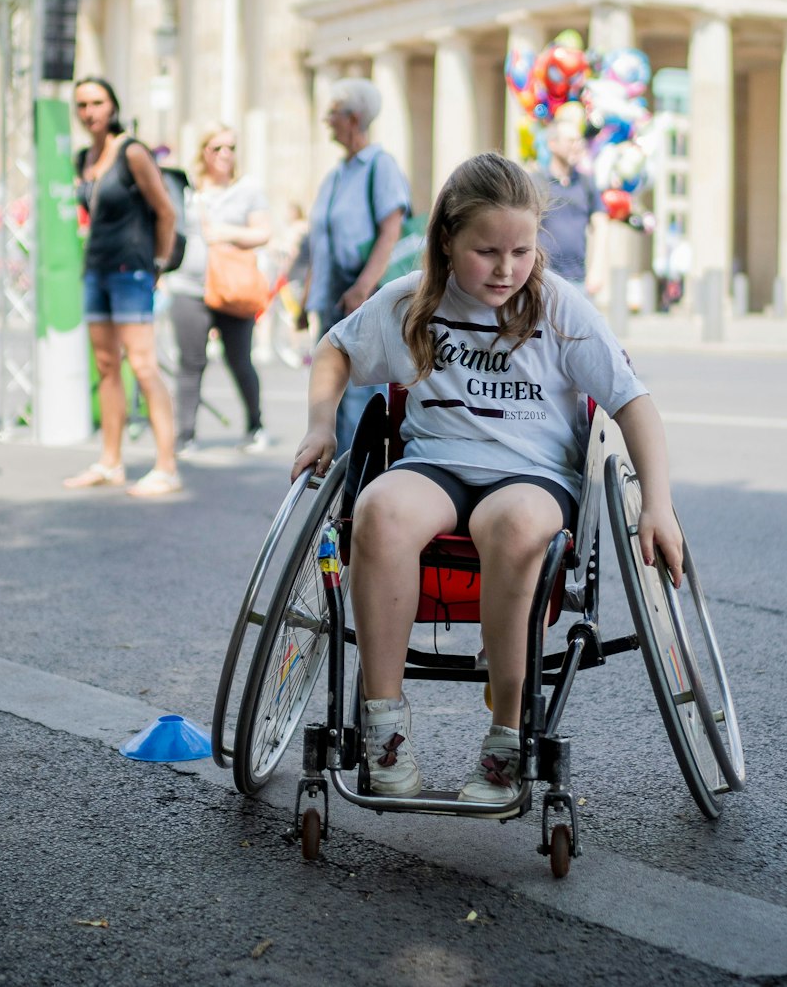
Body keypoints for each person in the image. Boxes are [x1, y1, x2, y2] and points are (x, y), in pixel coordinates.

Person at [291, 152, 683, 805]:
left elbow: (632, 403)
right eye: (487, 252)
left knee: (517, 524)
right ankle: (383, 726)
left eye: (521, 251)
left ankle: (507, 732)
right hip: (436, 464)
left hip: (531, 474)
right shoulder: (413, 301)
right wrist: (320, 425)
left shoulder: (559, 309)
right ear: (447, 240)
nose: (505, 269)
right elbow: (335, 348)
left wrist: (658, 504)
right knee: (379, 509)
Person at [64, 77, 182, 497]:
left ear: (113, 106)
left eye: (97, 102)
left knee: (144, 366)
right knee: (106, 366)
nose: (89, 111)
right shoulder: (84, 157)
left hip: (131, 270)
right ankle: (110, 462)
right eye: (82, 104)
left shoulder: (132, 151)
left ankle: (166, 467)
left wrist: (158, 265)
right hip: (95, 269)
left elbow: (165, 211)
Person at [305, 77, 410, 451]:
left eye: (333, 112)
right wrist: (308, 296)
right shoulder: (337, 175)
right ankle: (337, 468)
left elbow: (391, 231)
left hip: (361, 296)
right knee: (328, 390)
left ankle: (358, 473)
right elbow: (322, 241)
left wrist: (363, 288)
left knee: (358, 397)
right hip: (333, 296)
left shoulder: (379, 166)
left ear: (353, 118)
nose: (326, 120)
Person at [164, 123, 273, 453]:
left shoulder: (247, 189)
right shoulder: (187, 189)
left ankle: (255, 426)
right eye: (217, 148)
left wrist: (227, 233)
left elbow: (263, 232)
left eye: (231, 148)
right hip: (188, 287)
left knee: (239, 360)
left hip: (233, 288)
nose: (226, 154)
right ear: (203, 152)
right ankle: (185, 435)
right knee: (190, 363)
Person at [537, 121, 607, 296]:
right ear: (552, 144)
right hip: (542, 280)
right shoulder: (536, 181)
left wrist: (597, 269)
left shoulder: (586, 183)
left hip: (578, 282)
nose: (577, 146)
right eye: (570, 141)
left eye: (579, 141)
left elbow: (601, 224)